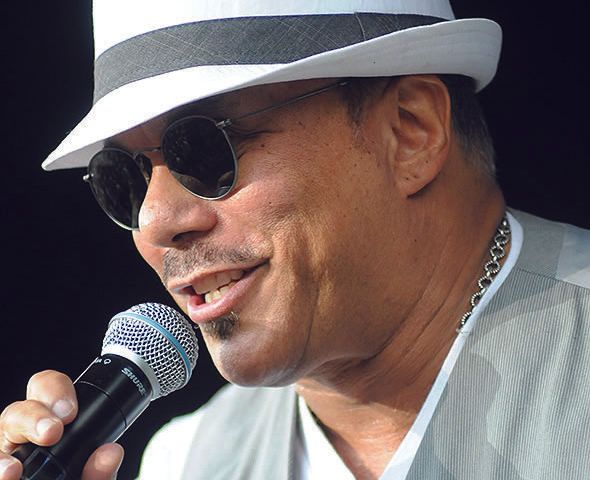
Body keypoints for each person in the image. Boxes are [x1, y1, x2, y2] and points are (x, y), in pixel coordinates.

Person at [1, 1, 589, 479]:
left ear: (410, 131)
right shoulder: (186, 460)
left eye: (204, 150)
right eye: (123, 181)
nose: (154, 221)